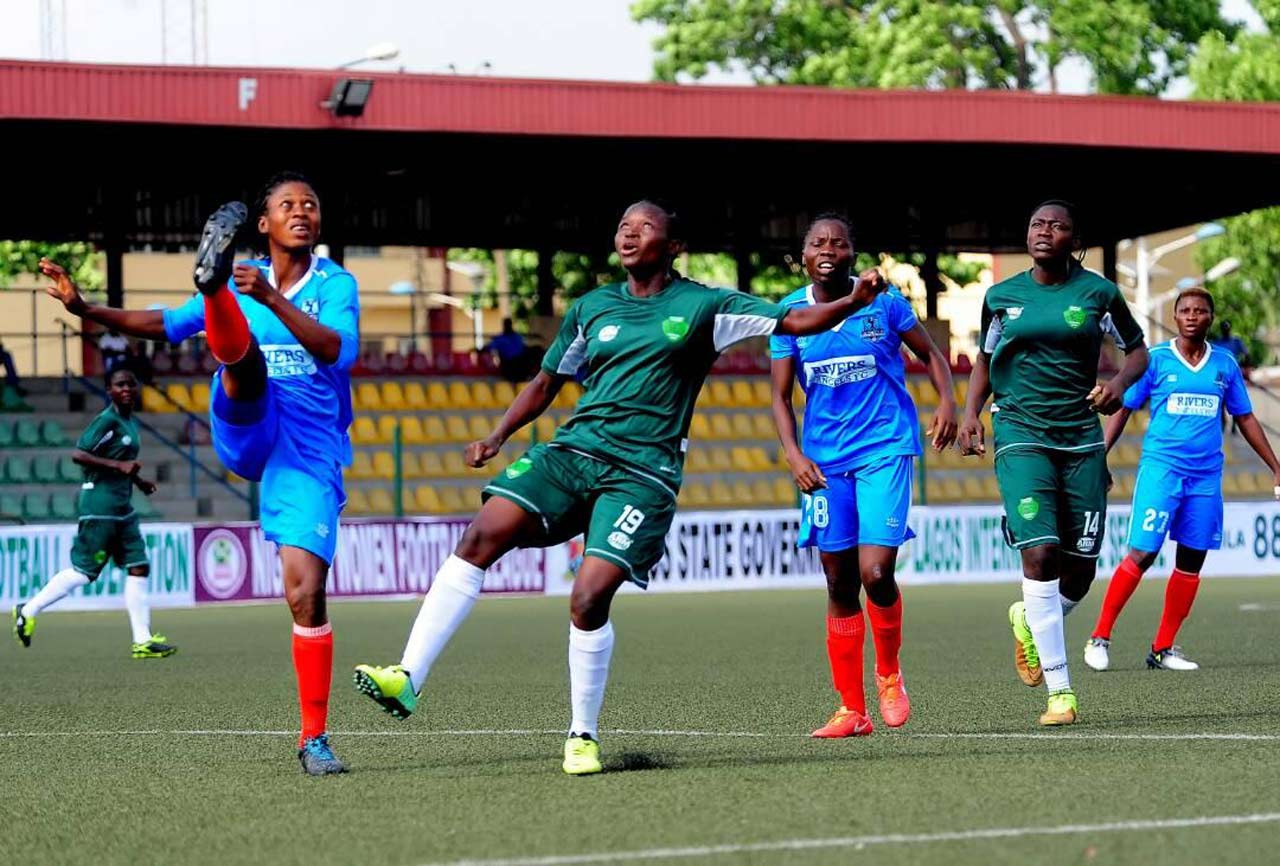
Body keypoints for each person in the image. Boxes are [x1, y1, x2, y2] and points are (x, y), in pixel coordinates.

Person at [352, 200, 886, 775]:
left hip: (642, 475)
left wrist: (853, 302)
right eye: (624, 227)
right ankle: (407, 677)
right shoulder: (592, 307)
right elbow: (546, 382)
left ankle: (582, 735)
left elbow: (795, 322)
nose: (629, 235)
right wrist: (497, 435)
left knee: (588, 597)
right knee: (480, 535)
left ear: (673, 247)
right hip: (572, 453)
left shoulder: (707, 305)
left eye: (645, 227)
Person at [41, 171, 359, 776]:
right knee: (247, 367)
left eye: (311, 204)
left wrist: (271, 300)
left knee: (305, 593)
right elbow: (162, 324)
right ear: (263, 224)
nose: (302, 212)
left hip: (307, 448)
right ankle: (209, 291)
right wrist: (84, 308)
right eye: (288, 205)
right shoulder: (246, 283)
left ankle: (313, 739)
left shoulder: (336, 283)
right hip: (246, 417)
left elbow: (338, 351)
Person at [958, 199, 1148, 726]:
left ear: (1074, 240)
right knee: (1040, 555)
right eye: (1037, 224)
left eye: (1057, 225)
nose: (1044, 231)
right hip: (1019, 432)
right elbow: (985, 359)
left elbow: (1138, 352)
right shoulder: (1000, 297)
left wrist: (1118, 384)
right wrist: (971, 413)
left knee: (1080, 572)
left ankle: (1029, 617)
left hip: (1080, 438)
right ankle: (1061, 693)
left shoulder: (1099, 294)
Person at [770, 214, 957, 738]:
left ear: (853, 254)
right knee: (838, 580)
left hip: (884, 448)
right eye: (817, 243)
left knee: (875, 573)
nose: (828, 249)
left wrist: (946, 400)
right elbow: (780, 397)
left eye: (838, 242)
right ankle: (851, 710)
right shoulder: (790, 314)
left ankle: (889, 673)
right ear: (803, 256)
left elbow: (931, 355)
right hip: (825, 462)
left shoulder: (886, 303)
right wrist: (793, 454)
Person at [1086, 287, 1280, 672]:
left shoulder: (1224, 364)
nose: (1192, 316)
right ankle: (1100, 636)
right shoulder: (1155, 360)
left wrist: (1276, 466)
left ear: (1210, 318)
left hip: (1205, 477)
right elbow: (1123, 409)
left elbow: (1244, 417)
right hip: (1162, 471)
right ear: (1175, 317)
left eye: (1200, 311)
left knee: (1191, 560)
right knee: (1143, 553)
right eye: (1185, 310)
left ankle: (1162, 648)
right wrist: (1098, 456)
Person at [12, 367, 175, 658]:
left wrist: (138, 481)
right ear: (109, 391)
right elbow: (79, 454)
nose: (126, 389)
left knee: (139, 566)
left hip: (122, 509)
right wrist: (119, 467)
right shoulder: (107, 420)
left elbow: (121, 461)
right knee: (84, 573)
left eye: (130, 384)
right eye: (119, 385)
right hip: (100, 508)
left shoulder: (128, 421)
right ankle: (28, 609)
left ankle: (142, 640)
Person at [483, 317, 534, 382]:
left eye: (508, 324)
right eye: (507, 324)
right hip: (509, 367)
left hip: (518, 366)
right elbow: (489, 348)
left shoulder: (517, 337)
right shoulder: (500, 338)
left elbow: (523, 349)